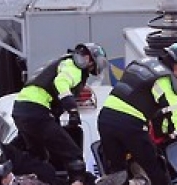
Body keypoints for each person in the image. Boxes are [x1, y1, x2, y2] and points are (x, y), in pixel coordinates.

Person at [97, 43, 177, 185]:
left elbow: (139, 96)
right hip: (130, 123)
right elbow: (173, 110)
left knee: (117, 168)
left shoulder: (141, 64)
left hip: (106, 118)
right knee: (155, 165)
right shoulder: (164, 78)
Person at [11, 43, 108, 173]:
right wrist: (73, 111)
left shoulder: (62, 62)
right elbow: (61, 83)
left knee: (36, 156)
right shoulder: (73, 68)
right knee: (73, 154)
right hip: (36, 111)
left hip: (21, 109)